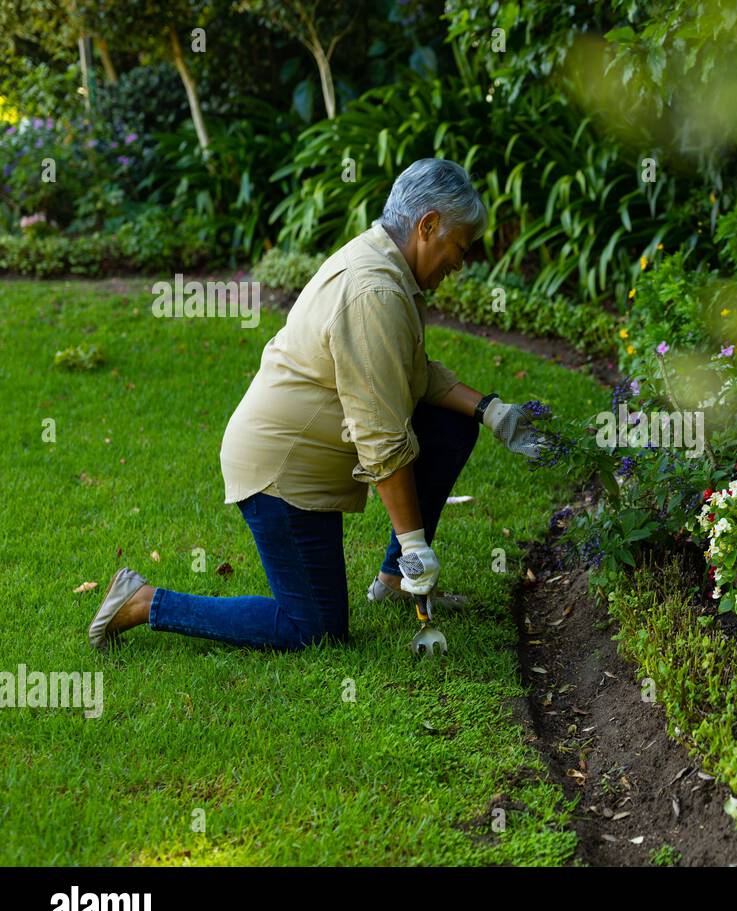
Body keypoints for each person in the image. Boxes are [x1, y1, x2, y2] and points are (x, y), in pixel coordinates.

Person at [87, 158, 548, 651]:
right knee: (315, 629)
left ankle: (393, 584)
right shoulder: (374, 290)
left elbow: (411, 374)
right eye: (460, 246)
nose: (461, 262)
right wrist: (414, 544)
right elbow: (380, 436)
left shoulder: (386, 264)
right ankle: (143, 600)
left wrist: (490, 410)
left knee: (449, 426)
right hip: (282, 474)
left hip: (307, 453)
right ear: (428, 225)